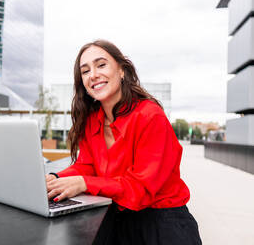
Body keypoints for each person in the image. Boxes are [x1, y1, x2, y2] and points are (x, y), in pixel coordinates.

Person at [45, 39, 202, 245]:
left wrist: (83, 183)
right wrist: (55, 178)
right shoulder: (92, 120)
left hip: (163, 224)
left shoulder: (150, 116)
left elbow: (140, 189)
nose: (93, 75)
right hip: (118, 219)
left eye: (101, 65)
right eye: (85, 71)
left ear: (121, 71)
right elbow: (87, 165)